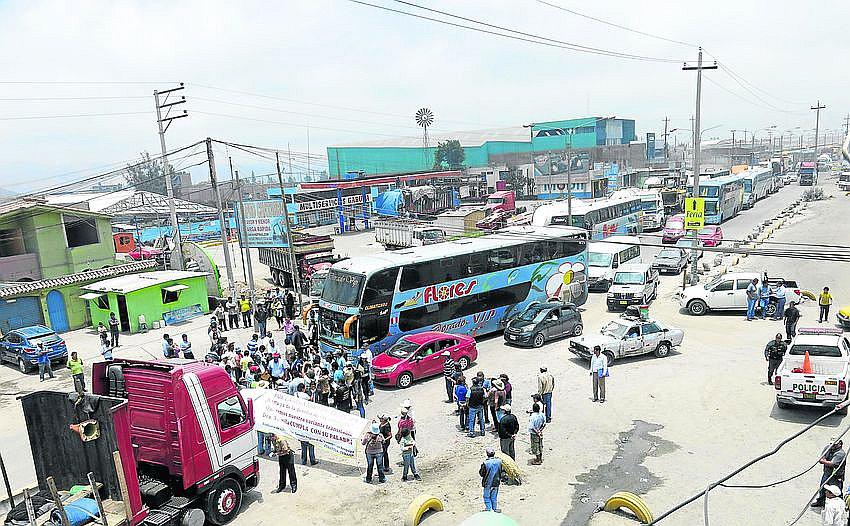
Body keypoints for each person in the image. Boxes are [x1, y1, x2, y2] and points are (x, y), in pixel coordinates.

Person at [813, 439, 846, 508]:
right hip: (827, 473)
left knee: (836, 491)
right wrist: (824, 461)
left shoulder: (840, 453)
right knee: (822, 488)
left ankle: (839, 506)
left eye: (834, 444)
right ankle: (821, 501)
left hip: (836, 476)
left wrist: (824, 461)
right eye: (832, 444)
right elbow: (822, 458)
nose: (832, 445)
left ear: (839, 444)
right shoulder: (827, 447)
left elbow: (832, 464)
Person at [479, 447, 503, 512]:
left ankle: (489, 509)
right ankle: (495, 509)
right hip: (496, 483)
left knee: (486, 497)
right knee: (494, 497)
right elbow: (502, 471)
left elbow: (481, 473)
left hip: (488, 484)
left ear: (487, 454)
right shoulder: (499, 461)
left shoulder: (485, 463)